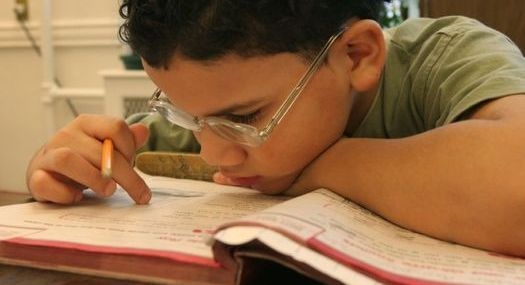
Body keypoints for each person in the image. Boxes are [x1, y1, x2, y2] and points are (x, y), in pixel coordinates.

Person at [26, 0, 525, 257]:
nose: (215, 154)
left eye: (243, 120)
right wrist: (68, 163)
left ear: (357, 55)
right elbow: (105, 155)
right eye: (183, 113)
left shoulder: (447, 57)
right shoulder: (215, 112)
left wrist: (319, 168)